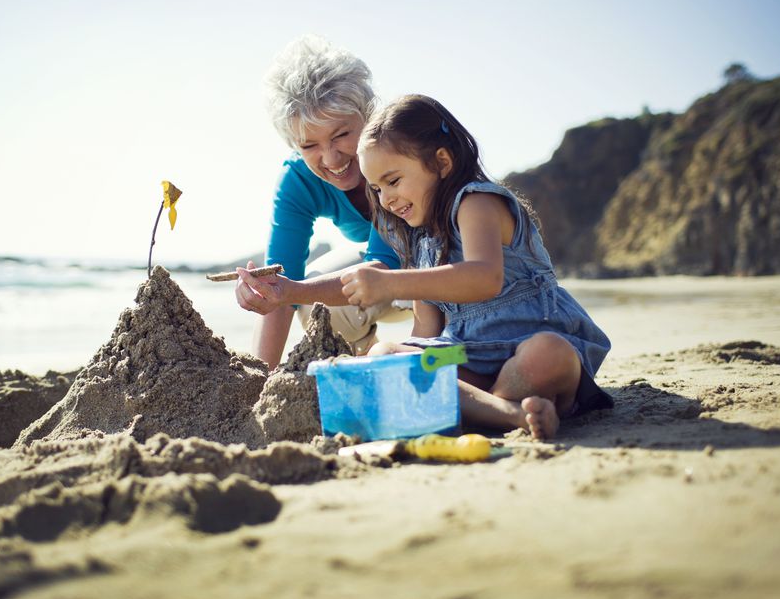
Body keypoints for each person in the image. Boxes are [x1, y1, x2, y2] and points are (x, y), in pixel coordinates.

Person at [339, 94, 613, 439]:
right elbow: (426, 335)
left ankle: (476, 409)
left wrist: (391, 283)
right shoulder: (419, 242)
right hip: (465, 359)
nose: (385, 199)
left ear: (441, 162)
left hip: (526, 350)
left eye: (393, 181)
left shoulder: (476, 203)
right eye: (376, 189)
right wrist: (412, 364)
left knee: (550, 353)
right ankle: (510, 413)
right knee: (385, 356)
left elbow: (484, 278)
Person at [234, 35, 410, 370]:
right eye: (309, 144)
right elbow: (281, 282)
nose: (330, 158)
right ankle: (362, 372)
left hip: (446, 264)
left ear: (368, 116)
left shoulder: (393, 156)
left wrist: (289, 291)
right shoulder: (298, 180)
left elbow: (383, 268)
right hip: (386, 269)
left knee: (308, 289)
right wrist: (255, 386)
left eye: (342, 135)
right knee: (315, 294)